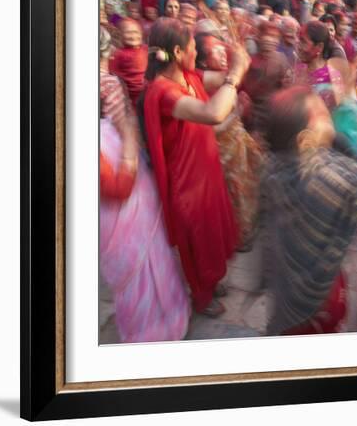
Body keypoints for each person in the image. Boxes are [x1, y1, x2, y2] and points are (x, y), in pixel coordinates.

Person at [141, 18, 250, 316]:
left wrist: (235, 59)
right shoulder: (163, 92)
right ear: (177, 52)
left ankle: (212, 282)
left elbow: (222, 79)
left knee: (214, 232)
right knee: (198, 243)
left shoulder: (190, 76)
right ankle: (202, 296)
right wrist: (236, 74)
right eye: (192, 47)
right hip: (187, 183)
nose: (196, 53)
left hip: (206, 172)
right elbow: (213, 112)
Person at [99, 27, 190, 342]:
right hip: (120, 208)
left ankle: (162, 321)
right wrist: (127, 137)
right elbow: (118, 188)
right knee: (140, 268)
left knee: (151, 262)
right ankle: (150, 334)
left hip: (134, 204)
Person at [259, 86, 357, 335]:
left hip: (285, 289)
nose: (329, 115)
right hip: (319, 298)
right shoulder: (330, 180)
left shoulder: (273, 168)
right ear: (304, 139)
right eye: (322, 114)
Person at [195, 32, 263, 250]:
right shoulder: (201, 86)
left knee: (246, 190)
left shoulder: (224, 78)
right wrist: (237, 113)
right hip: (220, 154)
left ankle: (245, 233)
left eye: (223, 48)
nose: (223, 53)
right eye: (216, 50)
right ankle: (236, 239)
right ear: (204, 60)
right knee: (233, 196)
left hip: (236, 145)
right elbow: (209, 129)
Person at [109, 18, 149, 108]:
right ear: (120, 35)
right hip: (131, 99)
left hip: (148, 93)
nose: (133, 36)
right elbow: (113, 74)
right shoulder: (118, 54)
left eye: (136, 32)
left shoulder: (145, 49)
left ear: (141, 34)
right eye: (128, 32)